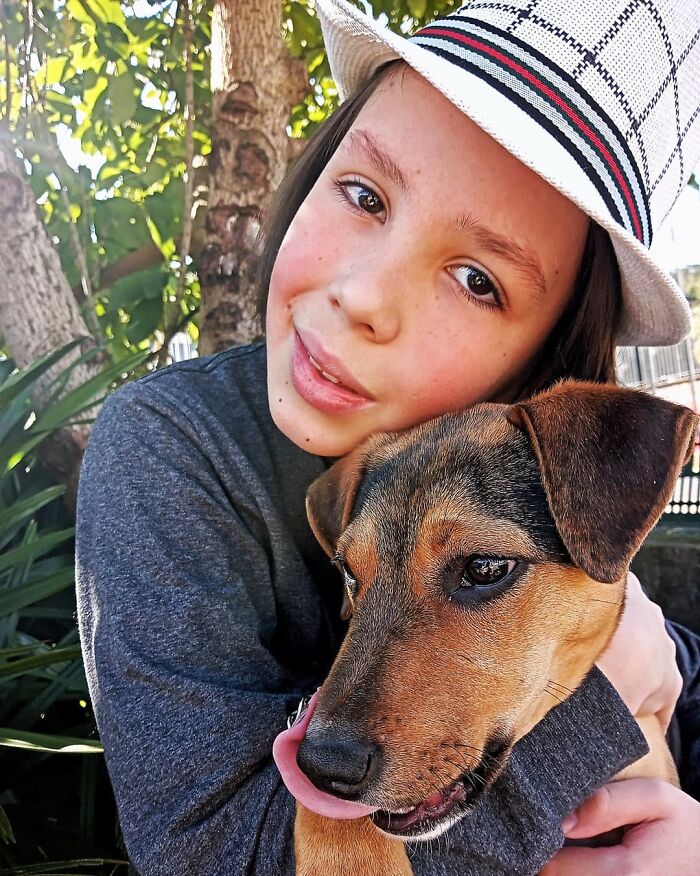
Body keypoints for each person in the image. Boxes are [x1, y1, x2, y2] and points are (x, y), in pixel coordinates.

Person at [75, 0, 700, 873]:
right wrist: (587, 710)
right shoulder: (173, 449)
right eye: (365, 195)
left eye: (477, 279)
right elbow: (204, 854)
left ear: (547, 352)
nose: (365, 296)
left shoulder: (556, 477)